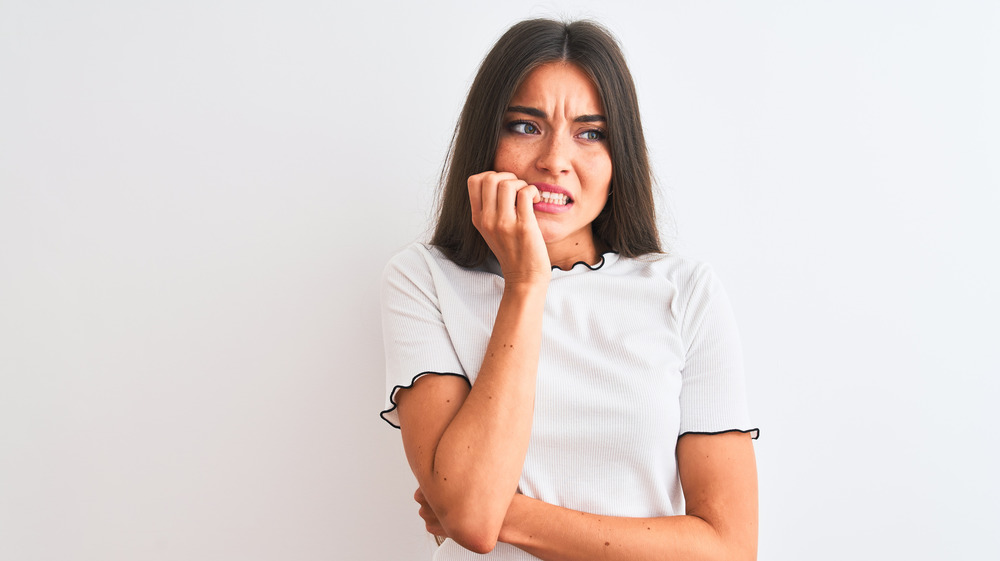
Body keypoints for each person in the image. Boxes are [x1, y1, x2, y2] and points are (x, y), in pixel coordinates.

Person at [379, 18, 759, 561]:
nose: (555, 160)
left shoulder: (685, 292)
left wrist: (489, 510)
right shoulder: (425, 279)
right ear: (485, 139)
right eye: (525, 126)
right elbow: (469, 520)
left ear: (618, 154)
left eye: (591, 133)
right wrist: (526, 284)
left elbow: (728, 548)